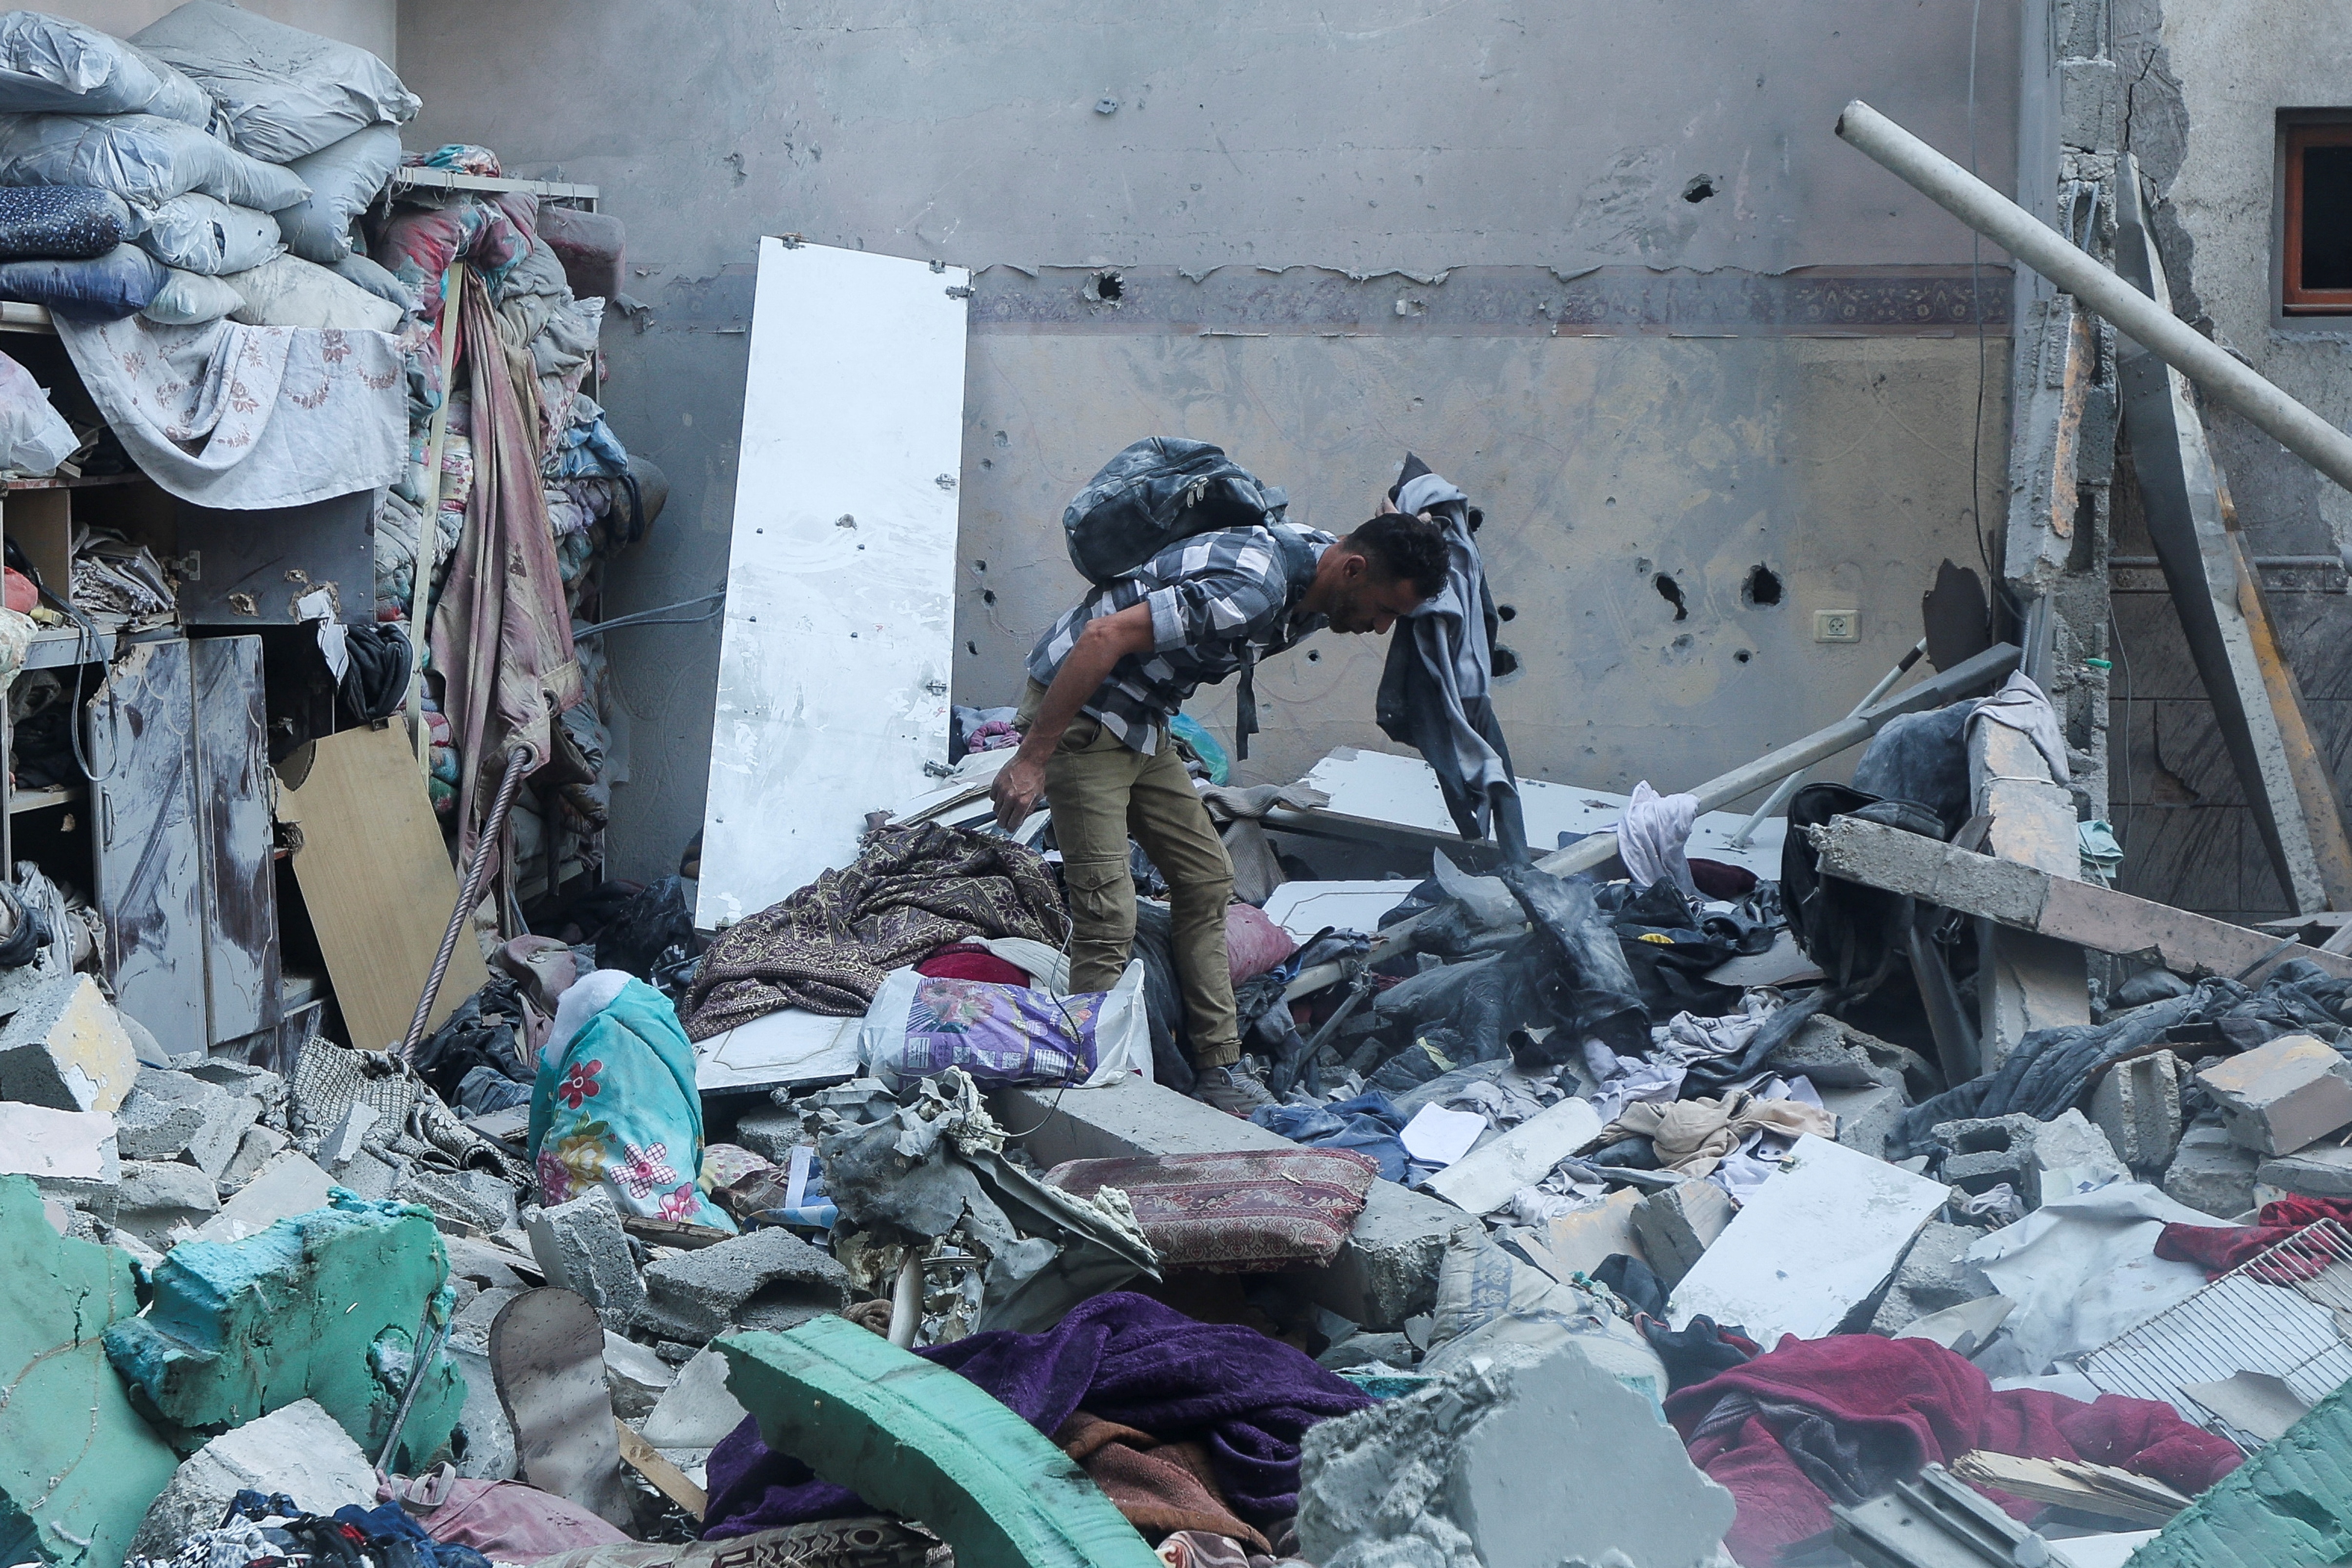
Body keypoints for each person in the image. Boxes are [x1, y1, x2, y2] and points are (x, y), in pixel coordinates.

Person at [992, 509, 1452, 1114]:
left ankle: (1217, 1068)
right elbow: (1101, 636)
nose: (1380, 627)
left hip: (1142, 718)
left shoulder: (1324, 566)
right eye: (1385, 609)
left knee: (1206, 878)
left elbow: (1371, 538)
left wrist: (1419, 527)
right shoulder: (1252, 591)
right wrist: (1031, 758)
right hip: (1085, 713)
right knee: (1108, 911)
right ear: (1354, 570)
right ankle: (1091, 1090)